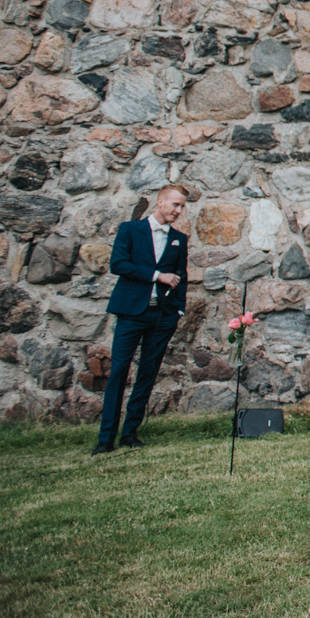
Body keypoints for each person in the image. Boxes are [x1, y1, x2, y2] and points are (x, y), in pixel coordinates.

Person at [94, 184, 190, 453]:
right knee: (118, 373)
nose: (179, 211)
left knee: (147, 374)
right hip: (130, 312)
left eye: (182, 206)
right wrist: (157, 276)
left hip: (162, 316)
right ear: (160, 202)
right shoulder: (130, 230)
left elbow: (181, 276)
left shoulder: (179, 239)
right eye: (175, 205)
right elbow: (118, 264)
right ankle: (105, 439)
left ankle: (130, 434)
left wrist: (178, 310)